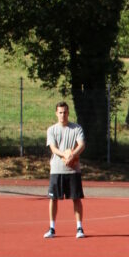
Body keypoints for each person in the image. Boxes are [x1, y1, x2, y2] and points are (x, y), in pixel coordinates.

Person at [45, 102, 86, 238]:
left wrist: (72, 155)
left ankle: (79, 228)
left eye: (65, 112)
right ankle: (52, 228)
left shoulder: (77, 128)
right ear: (56, 113)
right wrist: (65, 155)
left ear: (68, 113)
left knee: (76, 198)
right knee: (53, 199)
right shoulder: (51, 130)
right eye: (60, 112)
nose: (63, 115)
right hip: (56, 170)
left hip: (73, 170)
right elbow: (53, 148)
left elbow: (82, 145)